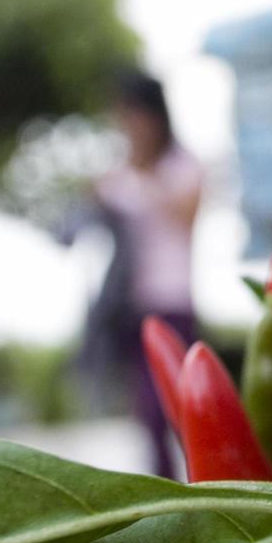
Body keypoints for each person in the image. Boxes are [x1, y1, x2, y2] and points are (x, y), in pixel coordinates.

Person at [93, 70, 202, 477]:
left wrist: (146, 177)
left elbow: (186, 219)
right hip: (131, 306)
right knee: (148, 414)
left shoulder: (183, 166)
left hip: (173, 301)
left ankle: (202, 485)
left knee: (178, 405)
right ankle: (165, 493)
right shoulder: (117, 175)